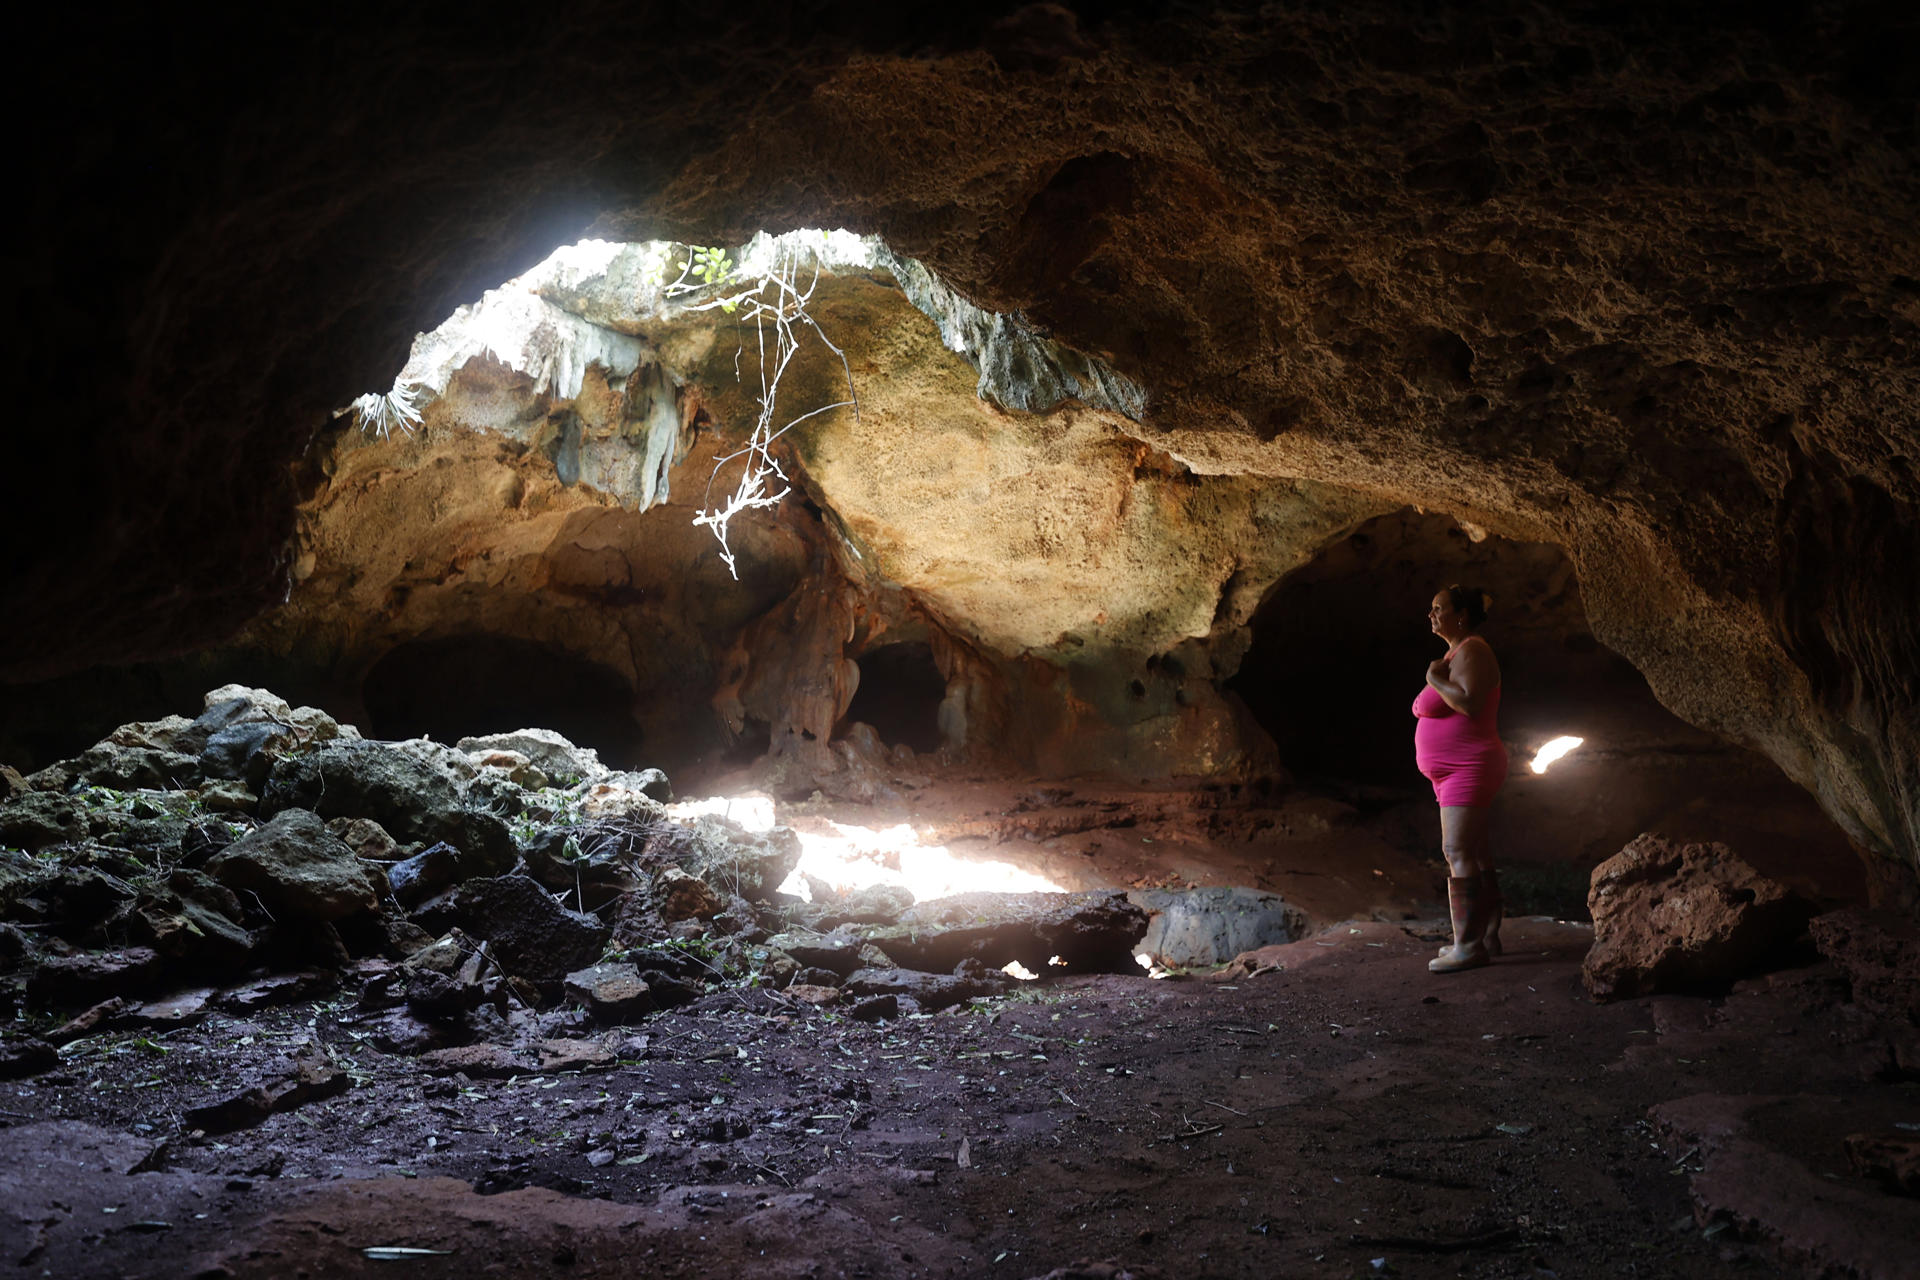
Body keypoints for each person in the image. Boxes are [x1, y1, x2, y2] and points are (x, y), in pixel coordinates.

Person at [1412, 584, 1508, 973]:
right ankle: (1486, 937)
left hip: (1468, 766)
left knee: (1457, 851)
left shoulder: (1473, 650)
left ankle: (1467, 947)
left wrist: (1432, 679)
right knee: (1477, 851)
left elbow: (1469, 702)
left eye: (1439, 608)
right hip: (1453, 770)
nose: (1431, 615)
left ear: (1462, 615)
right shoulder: (1458, 652)